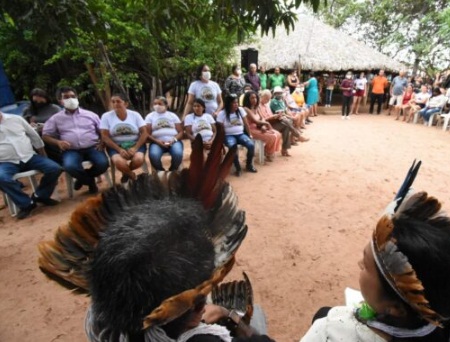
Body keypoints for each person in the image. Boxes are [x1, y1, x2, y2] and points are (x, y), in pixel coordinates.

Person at [38, 128, 274, 342]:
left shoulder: (100, 321)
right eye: (201, 297)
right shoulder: (208, 340)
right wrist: (230, 316)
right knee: (258, 319)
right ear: (195, 305)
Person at [301, 161, 450, 342]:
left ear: (395, 309)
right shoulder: (449, 323)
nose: (359, 264)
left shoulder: (329, 332)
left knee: (323, 313)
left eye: (367, 266)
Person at [42, 86, 108, 194]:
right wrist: (58, 142)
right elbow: (45, 135)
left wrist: (102, 141)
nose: (70, 99)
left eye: (73, 96)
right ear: (60, 101)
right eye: (66, 97)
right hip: (71, 149)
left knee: (103, 164)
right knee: (70, 166)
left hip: (93, 146)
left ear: (77, 97)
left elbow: (102, 130)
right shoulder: (55, 118)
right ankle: (90, 182)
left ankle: (82, 178)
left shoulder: (91, 115)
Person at [0, 111, 62, 219]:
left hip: (29, 157)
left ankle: (41, 196)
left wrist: (43, 155)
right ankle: (26, 204)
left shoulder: (16, 119)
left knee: (54, 168)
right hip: (7, 162)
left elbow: (34, 136)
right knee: (2, 178)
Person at [100, 93, 148, 183]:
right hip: (116, 145)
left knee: (138, 160)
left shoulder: (135, 115)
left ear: (126, 104)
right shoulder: (106, 116)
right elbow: (104, 136)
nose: (115, 104)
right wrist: (119, 149)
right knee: (119, 162)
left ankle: (125, 174)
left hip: (135, 143)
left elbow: (145, 133)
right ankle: (132, 175)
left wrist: (135, 148)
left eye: (118, 101)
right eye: (113, 102)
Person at [216, 95, 257, 176]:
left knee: (251, 145)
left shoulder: (240, 110)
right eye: (234, 103)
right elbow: (219, 129)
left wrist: (250, 134)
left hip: (240, 134)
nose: (236, 104)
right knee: (232, 148)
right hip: (228, 135)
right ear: (228, 104)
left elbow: (246, 124)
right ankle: (238, 168)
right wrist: (221, 141)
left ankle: (249, 165)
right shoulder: (222, 114)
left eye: (237, 102)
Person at [145, 96, 184, 171]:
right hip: (156, 142)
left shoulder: (172, 116)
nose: (157, 106)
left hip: (174, 141)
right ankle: (161, 172)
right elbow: (147, 134)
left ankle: (172, 170)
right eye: (155, 104)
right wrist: (157, 141)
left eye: (160, 104)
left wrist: (174, 140)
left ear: (166, 105)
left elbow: (181, 132)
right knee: (154, 155)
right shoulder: (150, 116)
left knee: (178, 154)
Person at [243, 91, 282, 162]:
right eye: (252, 98)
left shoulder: (256, 107)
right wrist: (267, 124)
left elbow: (262, 118)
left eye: (255, 97)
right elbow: (255, 121)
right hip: (251, 130)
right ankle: (268, 153)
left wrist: (263, 125)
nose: (254, 99)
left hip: (259, 127)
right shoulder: (246, 109)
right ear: (247, 99)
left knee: (278, 134)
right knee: (272, 136)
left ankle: (268, 151)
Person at [258, 90, 292, 157]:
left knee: (286, 125)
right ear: (262, 97)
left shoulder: (266, 105)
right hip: (265, 125)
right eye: (267, 99)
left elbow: (271, 115)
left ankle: (284, 149)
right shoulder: (258, 106)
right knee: (286, 124)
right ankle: (296, 136)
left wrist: (277, 116)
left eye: (269, 99)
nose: (268, 100)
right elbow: (262, 119)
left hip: (272, 123)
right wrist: (273, 117)